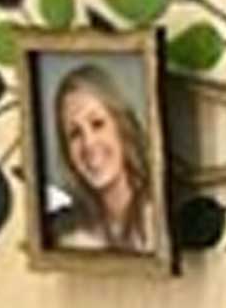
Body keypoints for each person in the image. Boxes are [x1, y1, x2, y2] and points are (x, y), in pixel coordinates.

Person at [45, 63, 156, 252]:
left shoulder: (157, 215)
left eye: (97, 124)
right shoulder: (69, 236)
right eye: (75, 133)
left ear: (122, 127)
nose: (88, 143)